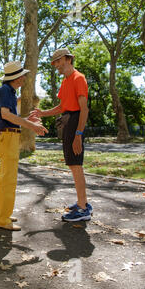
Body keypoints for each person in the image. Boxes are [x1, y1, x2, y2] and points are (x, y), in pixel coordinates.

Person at [30, 48, 92, 222]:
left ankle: (82, 209)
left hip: (76, 122)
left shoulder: (78, 78)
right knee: (73, 164)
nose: (56, 65)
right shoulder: (65, 82)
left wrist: (78, 134)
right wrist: (42, 113)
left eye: (58, 61)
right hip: (69, 121)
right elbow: (62, 107)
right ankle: (83, 202)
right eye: (54, 62)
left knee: (76, 164)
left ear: (68, 59)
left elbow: (84, 109)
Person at [0, 61, 48, 231]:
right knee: (8, 180)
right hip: (7, 137)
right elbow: (5, 115)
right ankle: (2, 219)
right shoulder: (5, 91)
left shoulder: (8, 91)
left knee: (7, 179)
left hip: (9, 136)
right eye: (22, 75)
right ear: (16, 77)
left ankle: (1, 214)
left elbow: (10, 117)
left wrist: (26, 121)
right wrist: (32, 126)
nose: (24, 77)